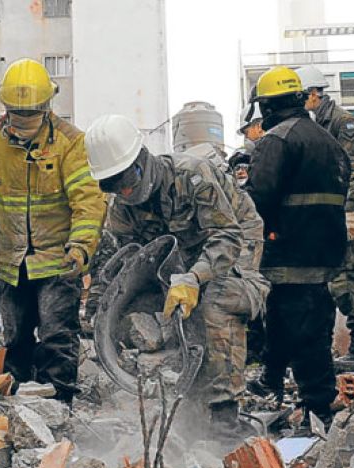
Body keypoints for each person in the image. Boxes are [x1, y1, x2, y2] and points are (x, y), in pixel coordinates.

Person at [86, 114, 262, 434]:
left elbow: (226, 236)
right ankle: (188, 401)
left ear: (143, 159)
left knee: (216, 302)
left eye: (128, 179)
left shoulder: (194, 176)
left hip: (235, 247)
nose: (125, 191)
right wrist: (102, 306)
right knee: (159, 311)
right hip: (178, 262)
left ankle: (225, 412)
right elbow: (121, 261)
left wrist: (194, 278)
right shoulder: (123, 208)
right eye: (114, 186)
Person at [0, 58, 105, 404]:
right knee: (15, 339)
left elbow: (88, 200)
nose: (23, 122)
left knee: (57, 335)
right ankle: (18, 408)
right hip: (13, 264)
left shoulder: (70, 143)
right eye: (17, 114)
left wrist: (81, 247)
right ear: (5, 107)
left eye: (30, 114)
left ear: (47, 106)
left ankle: (59, 404)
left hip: (57, 261)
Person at [245, 66, 349, 424]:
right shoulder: (328, 139)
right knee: (305, 322)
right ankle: (275, 380)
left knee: (297, 326)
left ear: (268, 107)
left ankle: (317, 404)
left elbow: (258, 197)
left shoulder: (276, 141)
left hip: (290, 250)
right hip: (326, 251)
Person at [294, 65, 354, 366]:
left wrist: (351, 210)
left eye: (303, 96)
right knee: (323, 286)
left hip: (344, 216)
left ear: (315, 94)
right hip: (323, 217)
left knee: (348, 282)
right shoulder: (314, 125)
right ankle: (323, 348)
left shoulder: (344, 124)